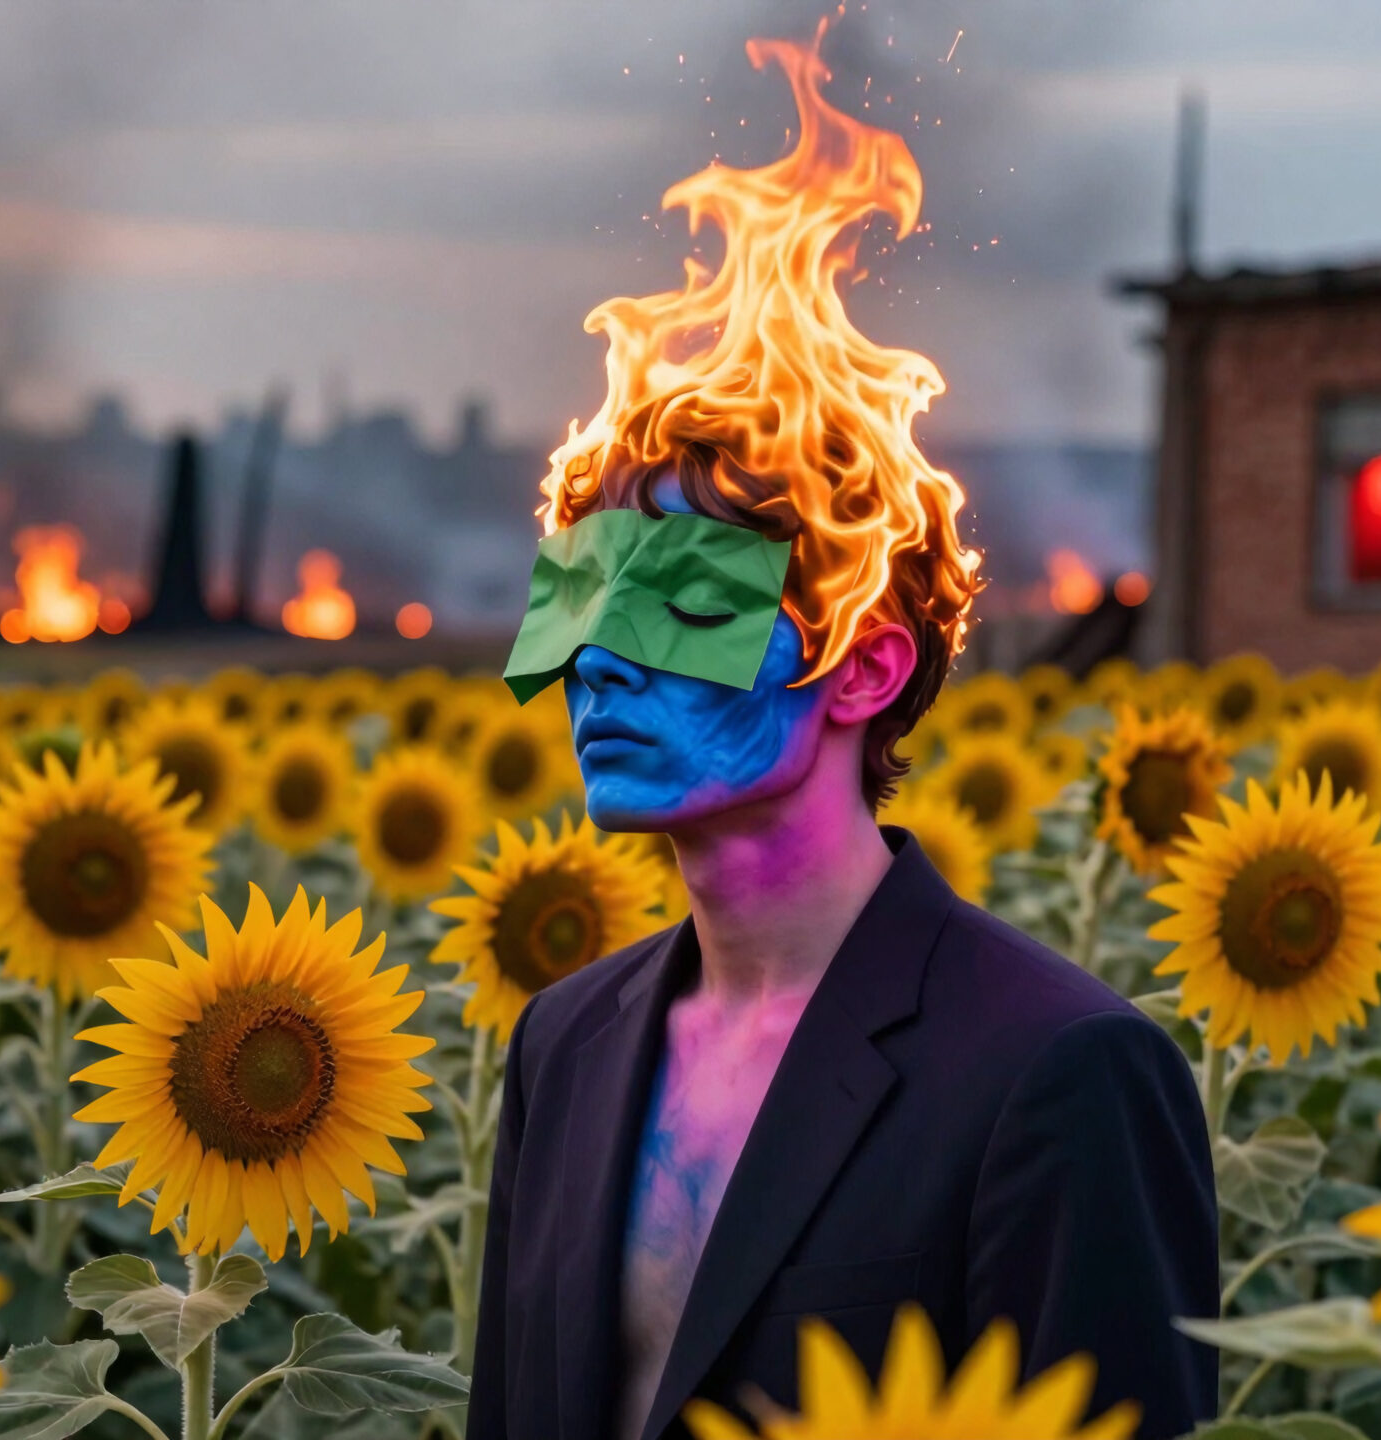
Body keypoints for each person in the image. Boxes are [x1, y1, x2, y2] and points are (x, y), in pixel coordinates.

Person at [464, 28, 1216, 1440]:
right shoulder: (564, 1044)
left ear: (863, 671)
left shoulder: (1053, 1070)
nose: (595, 669)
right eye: (576, 601)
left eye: (679, 605)